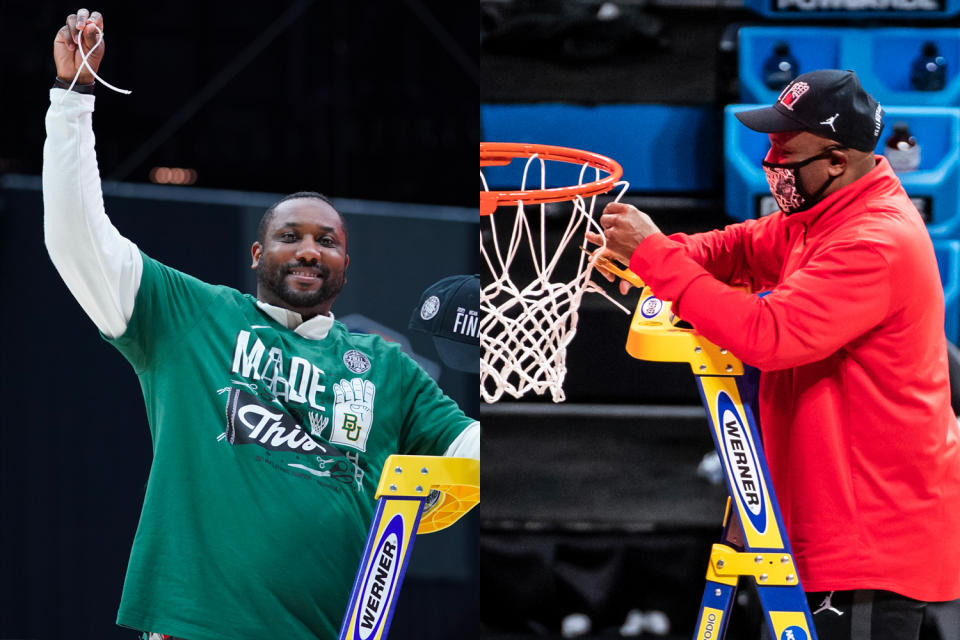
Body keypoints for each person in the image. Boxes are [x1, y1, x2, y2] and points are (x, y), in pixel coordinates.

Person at [43, 9, 479, 640]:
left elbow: (470, 450)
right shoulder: (190, 316)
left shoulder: (387, 367)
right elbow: (77, 239)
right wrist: (73, 98)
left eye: (326, 240)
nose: (308, 250)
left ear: (346, 264)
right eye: (290, 236)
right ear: (257, 254)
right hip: (194, 628)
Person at [585, 69, 960, 640]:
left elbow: (769, 334)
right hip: (819, 525)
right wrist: (653, 253)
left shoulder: (874, 242)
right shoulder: (822, 218)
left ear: (835, 159)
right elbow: (736, 246)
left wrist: (657, 259)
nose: (770, 158)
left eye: (785, 147)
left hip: (867, 541)